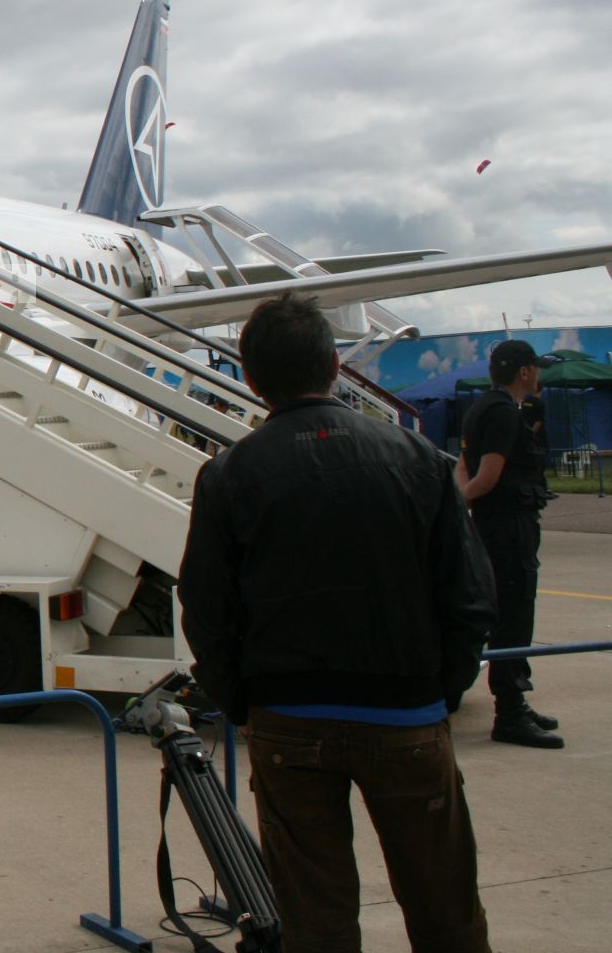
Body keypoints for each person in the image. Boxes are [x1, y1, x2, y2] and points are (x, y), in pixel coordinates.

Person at [179, 293, 496, 953]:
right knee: (446, 914)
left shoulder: (229, 474)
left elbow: (207, 611)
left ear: (249, 376)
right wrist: (438, 691)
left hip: (290, 723)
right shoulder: (418, 462)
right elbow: (469, 598)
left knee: (316, 924)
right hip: (408, 717)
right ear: (333, 365)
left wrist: (243, 703)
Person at [458, 339, 563, 748]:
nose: (538, 374)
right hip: (509, 528)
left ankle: (514, 699)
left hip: (495, 525)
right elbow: (486, 477)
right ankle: (510, 711)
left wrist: (460, 506)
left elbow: (464, 468)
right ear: (524, 372)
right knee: (515, 615)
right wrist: (456, 508)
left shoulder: (482, 407)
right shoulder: (503, 413)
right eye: (535, 368)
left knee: (504, 613)